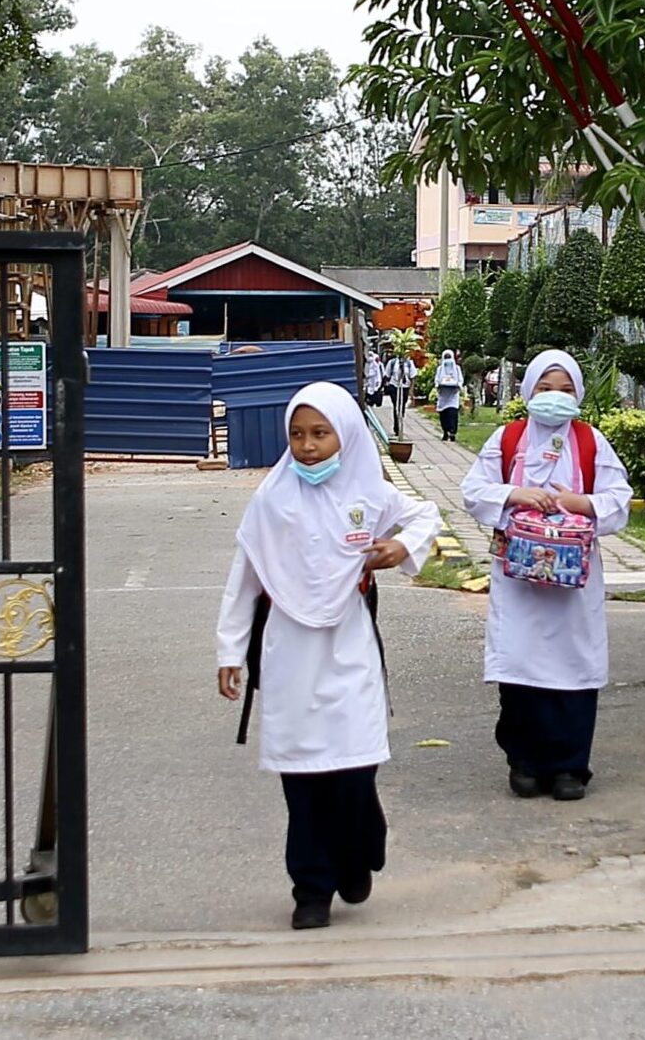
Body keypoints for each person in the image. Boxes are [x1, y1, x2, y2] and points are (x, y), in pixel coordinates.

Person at [217, 384, 439, 930]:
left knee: (353, 768)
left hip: (349, 649)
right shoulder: (271, 500)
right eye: (297, 434)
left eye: (320, 434)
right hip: (289, 653)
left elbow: (426, 515)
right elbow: (243, 579)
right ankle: (311, 889)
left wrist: (400, 547)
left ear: (345, 434)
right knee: (302, 778)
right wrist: (230, 651)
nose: (308, 447)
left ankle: (359, 842)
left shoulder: (370, 493)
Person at [460, 349, 633, 801]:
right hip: (518, 580)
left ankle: (569, 767)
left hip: (574, 584)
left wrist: (583, 504)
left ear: (578, 393)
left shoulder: (592, 441)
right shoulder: (509, 437)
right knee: (520, 665)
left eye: (565, 389)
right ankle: (525, 762)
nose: (554, 398)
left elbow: (619, 498)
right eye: (544, 388)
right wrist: (516, 493)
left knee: (573, 667)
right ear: (527, 390)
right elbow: (473, 492)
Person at [434, 350, 466, 442]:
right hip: (443, 396)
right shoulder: (440, 369)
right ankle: (445, 431)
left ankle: (452, 432)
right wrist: (439, 385)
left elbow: (460, 380)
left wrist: (457, 385)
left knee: (452, 415)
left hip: (453, 396)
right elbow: (437, 380)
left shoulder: (457, 369)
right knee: (443, 415)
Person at [386, 350, 418, 437]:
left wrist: (411, 390)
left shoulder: (409, 363)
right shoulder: (392, 363)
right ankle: (396, 426)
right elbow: (387, 375)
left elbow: (413, 377)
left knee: (402, 406)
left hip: (405, 387)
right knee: (396, 406)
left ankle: (400, 421)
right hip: (394, 386)